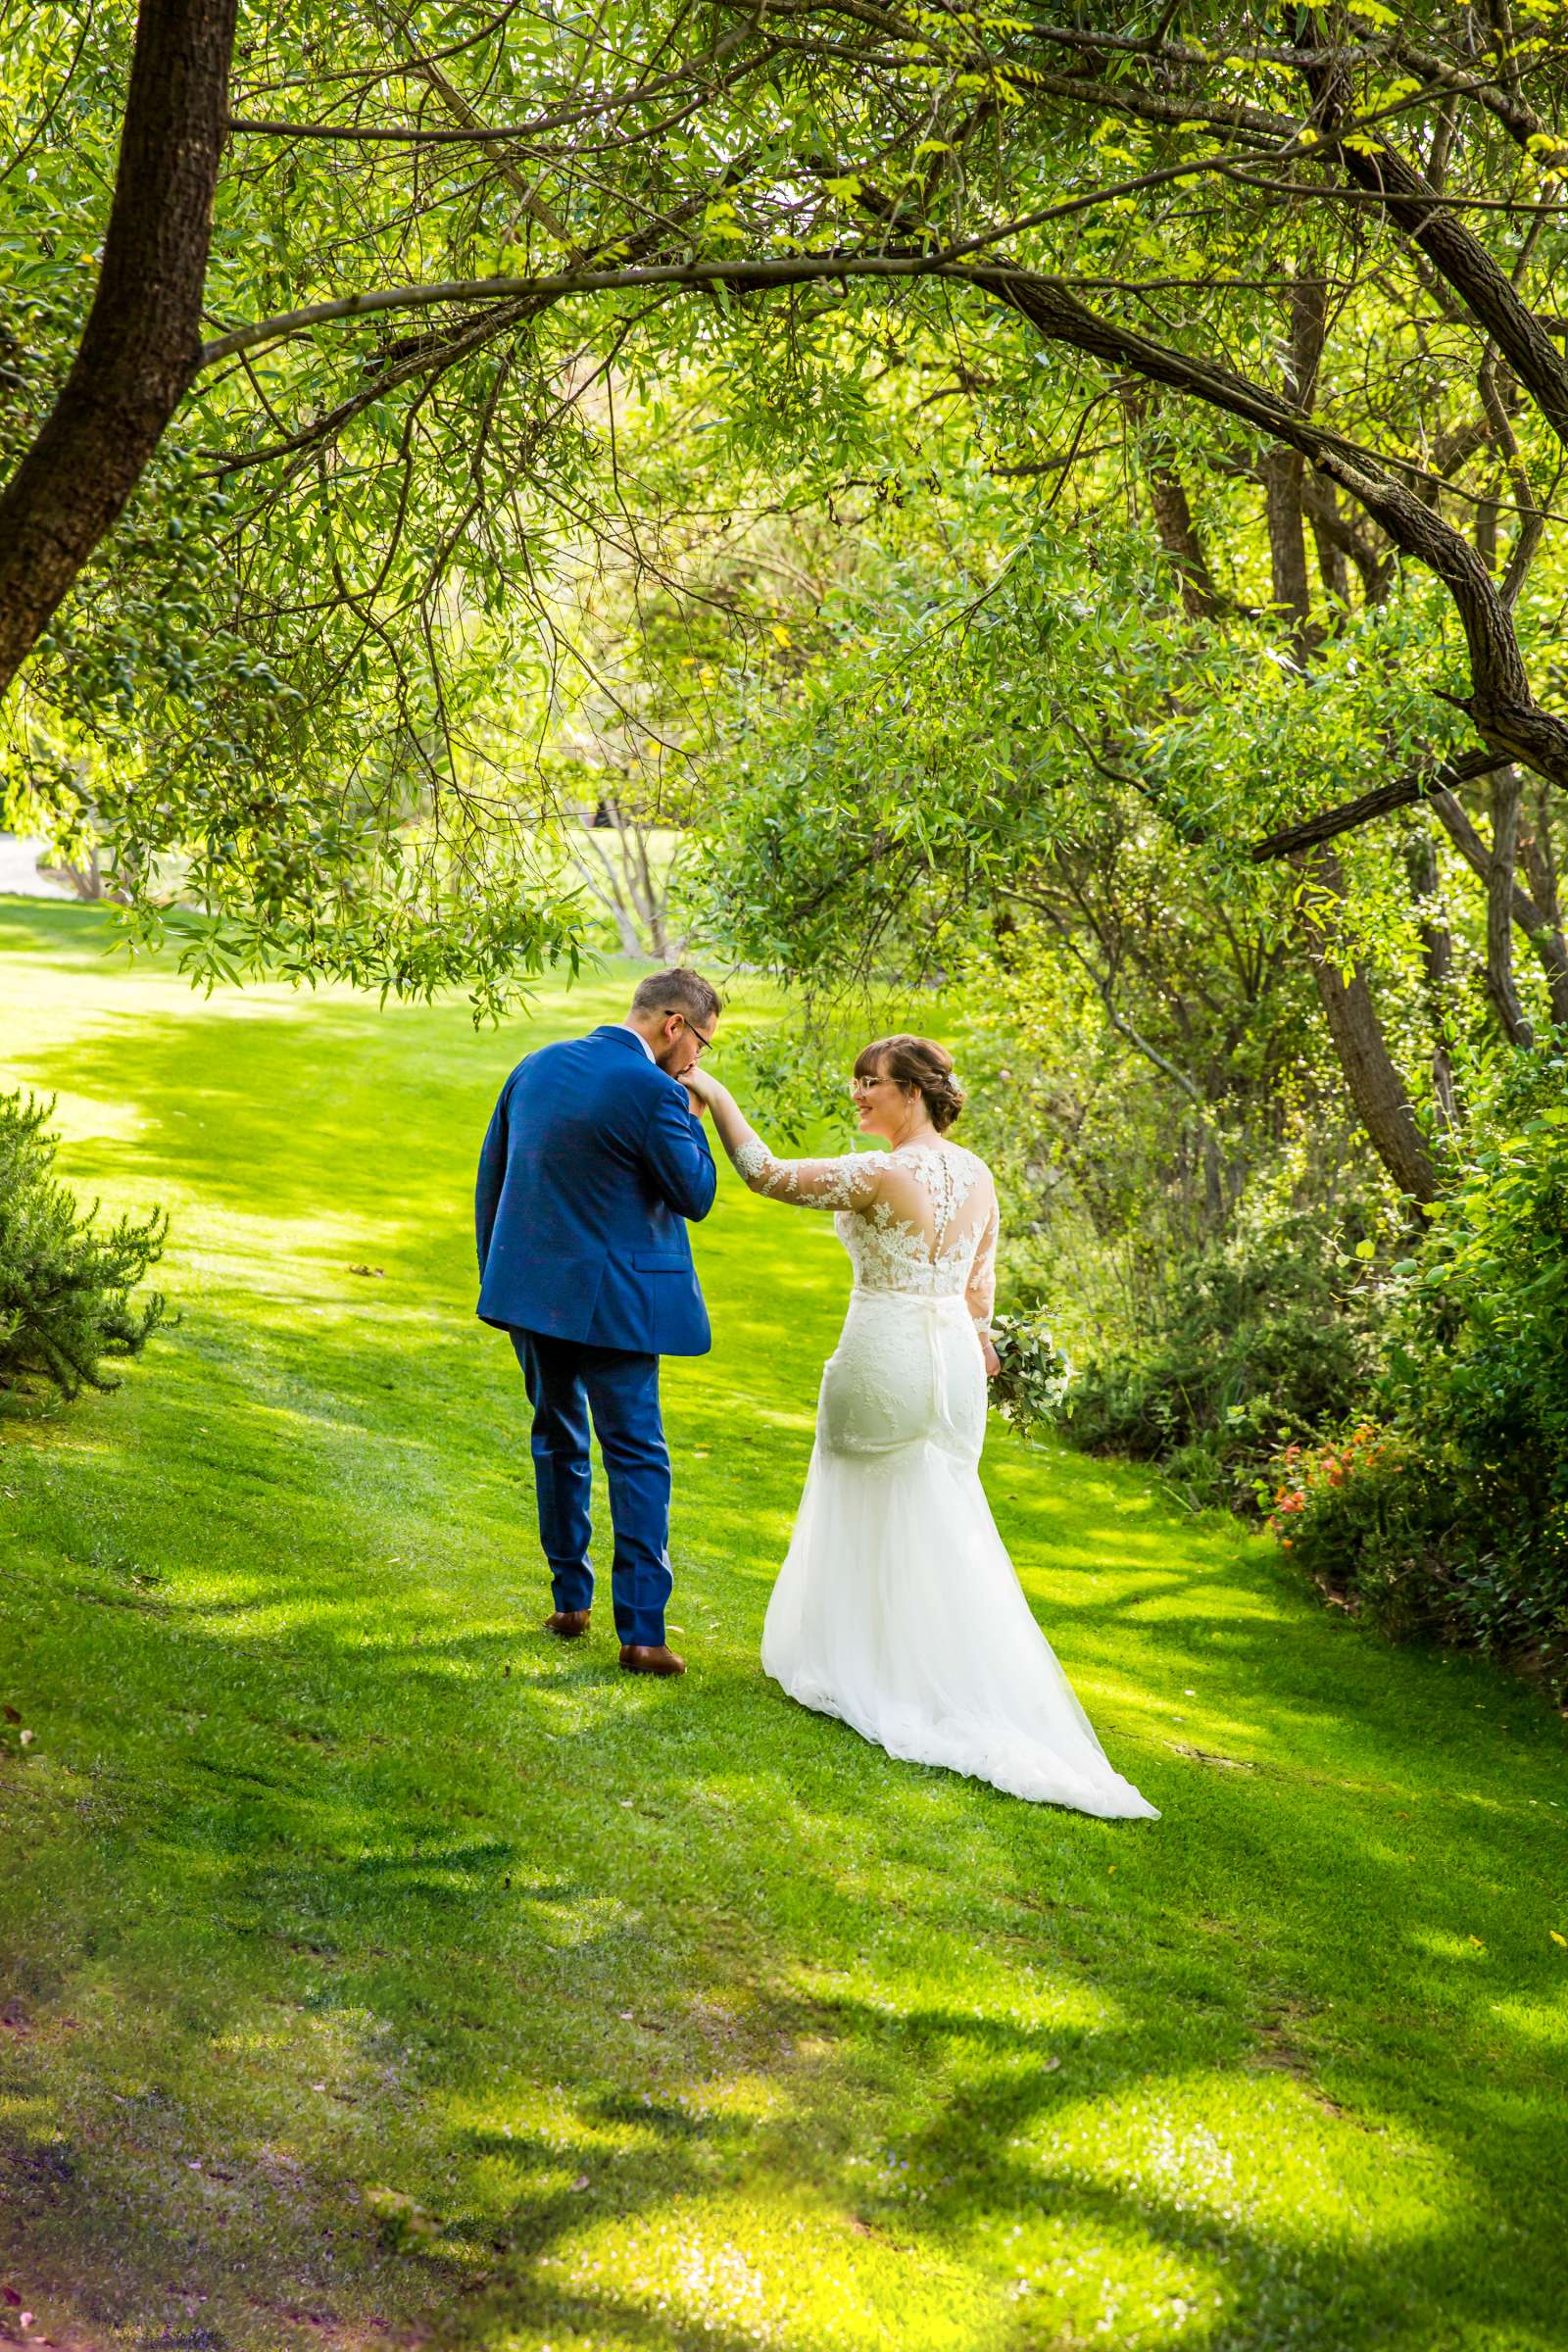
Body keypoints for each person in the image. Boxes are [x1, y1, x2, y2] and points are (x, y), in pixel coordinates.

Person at [685, 1034, 1156, 1818]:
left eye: (873, 1083)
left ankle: (869, 1671)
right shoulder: (978, 1175)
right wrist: (976, 1345)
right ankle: (928, 1669)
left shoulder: (882, 1172)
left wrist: (717, 1097)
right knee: (940, 1510)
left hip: (886, 1349)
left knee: (864, 1495)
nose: (860, 1094)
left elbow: (766, 1175)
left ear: (914, 1093)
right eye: (857, 1081)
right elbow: (980, 1291)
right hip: (953, 1368)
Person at [474, 968, 721, 1676]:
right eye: (701, 1043)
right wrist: (693, 1122)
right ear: (674, 1026)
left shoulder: (536, 1065)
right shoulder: (654, 1091)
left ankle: (568, 1601)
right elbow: (695, 1193)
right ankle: (642, 1634)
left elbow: (493, 1176)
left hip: (531, 1293)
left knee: (556, 1438)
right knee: (637, 1455)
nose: (699, 1062)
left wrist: (499, 1277)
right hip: (618, 1306)